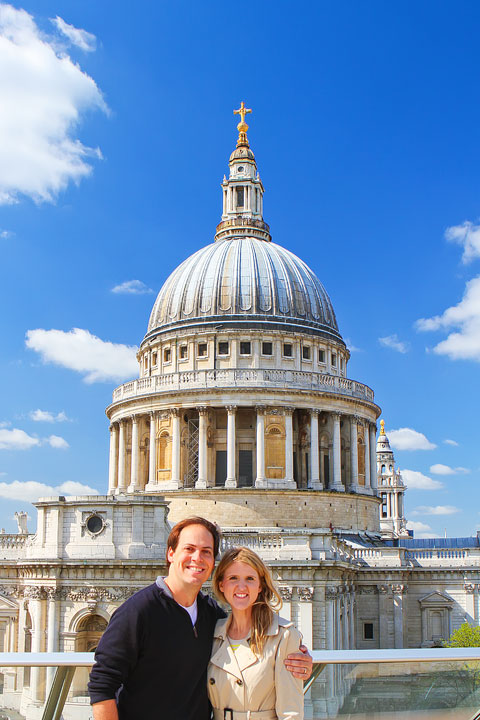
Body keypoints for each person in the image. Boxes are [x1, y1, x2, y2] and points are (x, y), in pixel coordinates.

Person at [88, 517, 312, 720]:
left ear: (213, 563)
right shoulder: (137, 611)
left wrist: (299, 661)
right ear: (170, 553)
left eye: (206, 551)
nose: (197, 558)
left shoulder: (213, 616)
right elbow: (102, 684)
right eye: (189, 549)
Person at [208, 546, 304, 720]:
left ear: (260, 586)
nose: (241, 586)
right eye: (233, 578)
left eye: (250, 578)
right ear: (221, 584)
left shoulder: (283, 636)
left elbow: (291, 712)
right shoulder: (212, 634)